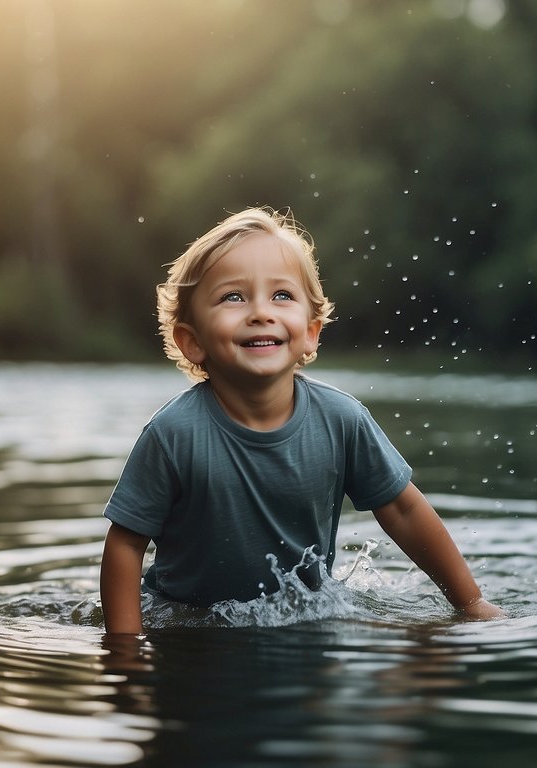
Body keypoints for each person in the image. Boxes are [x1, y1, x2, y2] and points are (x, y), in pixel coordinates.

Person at [100, 207, 503, 635]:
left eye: (282, 296)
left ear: (310, 332)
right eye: (233, 297)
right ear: (192, 340)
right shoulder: (173, 435)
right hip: (188, 624)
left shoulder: (342, 420)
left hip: (303, 621)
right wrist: (126, 647)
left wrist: (471, 603)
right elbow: (126, 544)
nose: (260, 312)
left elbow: (404, 509)